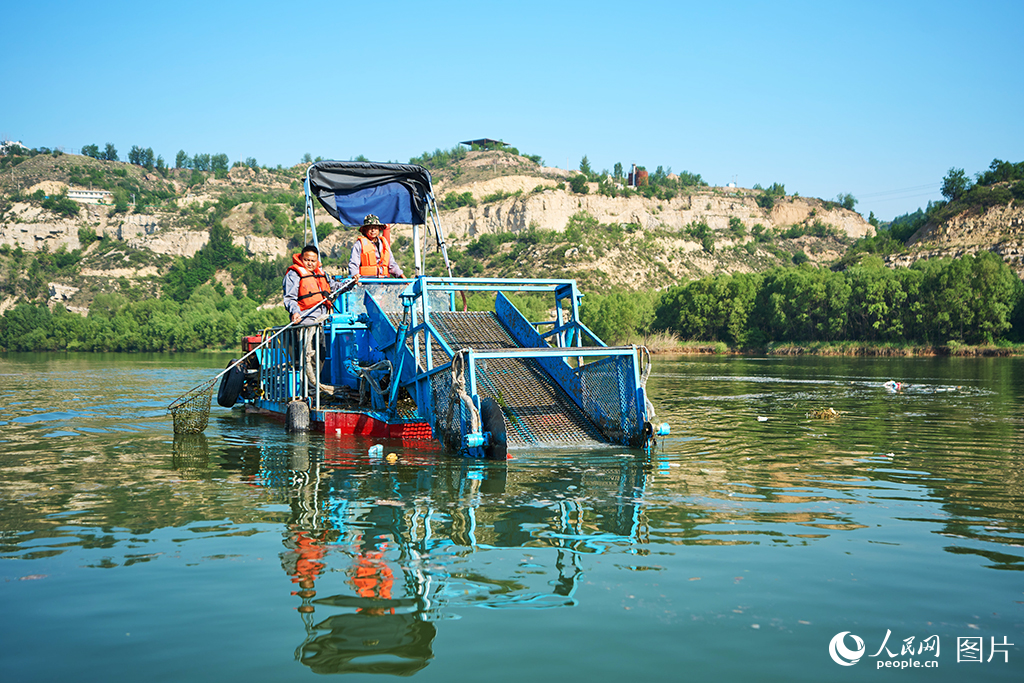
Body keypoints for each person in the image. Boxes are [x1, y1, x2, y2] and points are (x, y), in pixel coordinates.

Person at [284, 244, 358, 325]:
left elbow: (335, 287)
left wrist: (351, 283)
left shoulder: (321, 274)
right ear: (301, 259)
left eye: (313, 261)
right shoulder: (294, 274)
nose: (310, 263)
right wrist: (295, 312)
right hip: (305, 319)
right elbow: (290, 297)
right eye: (306, 260)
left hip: (322, 318)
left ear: (317, 261)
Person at [349, 214, 405, 278]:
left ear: (379, 229)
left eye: (375, 227)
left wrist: (402, 276)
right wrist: (355, 276)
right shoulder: (359, 244)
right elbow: (353, 264)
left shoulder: (383, 243)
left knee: (396, 283)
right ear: (365, 230)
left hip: (383, 278)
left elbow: (392, 264)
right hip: (366, 279)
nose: (373, 230)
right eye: (370, 228)